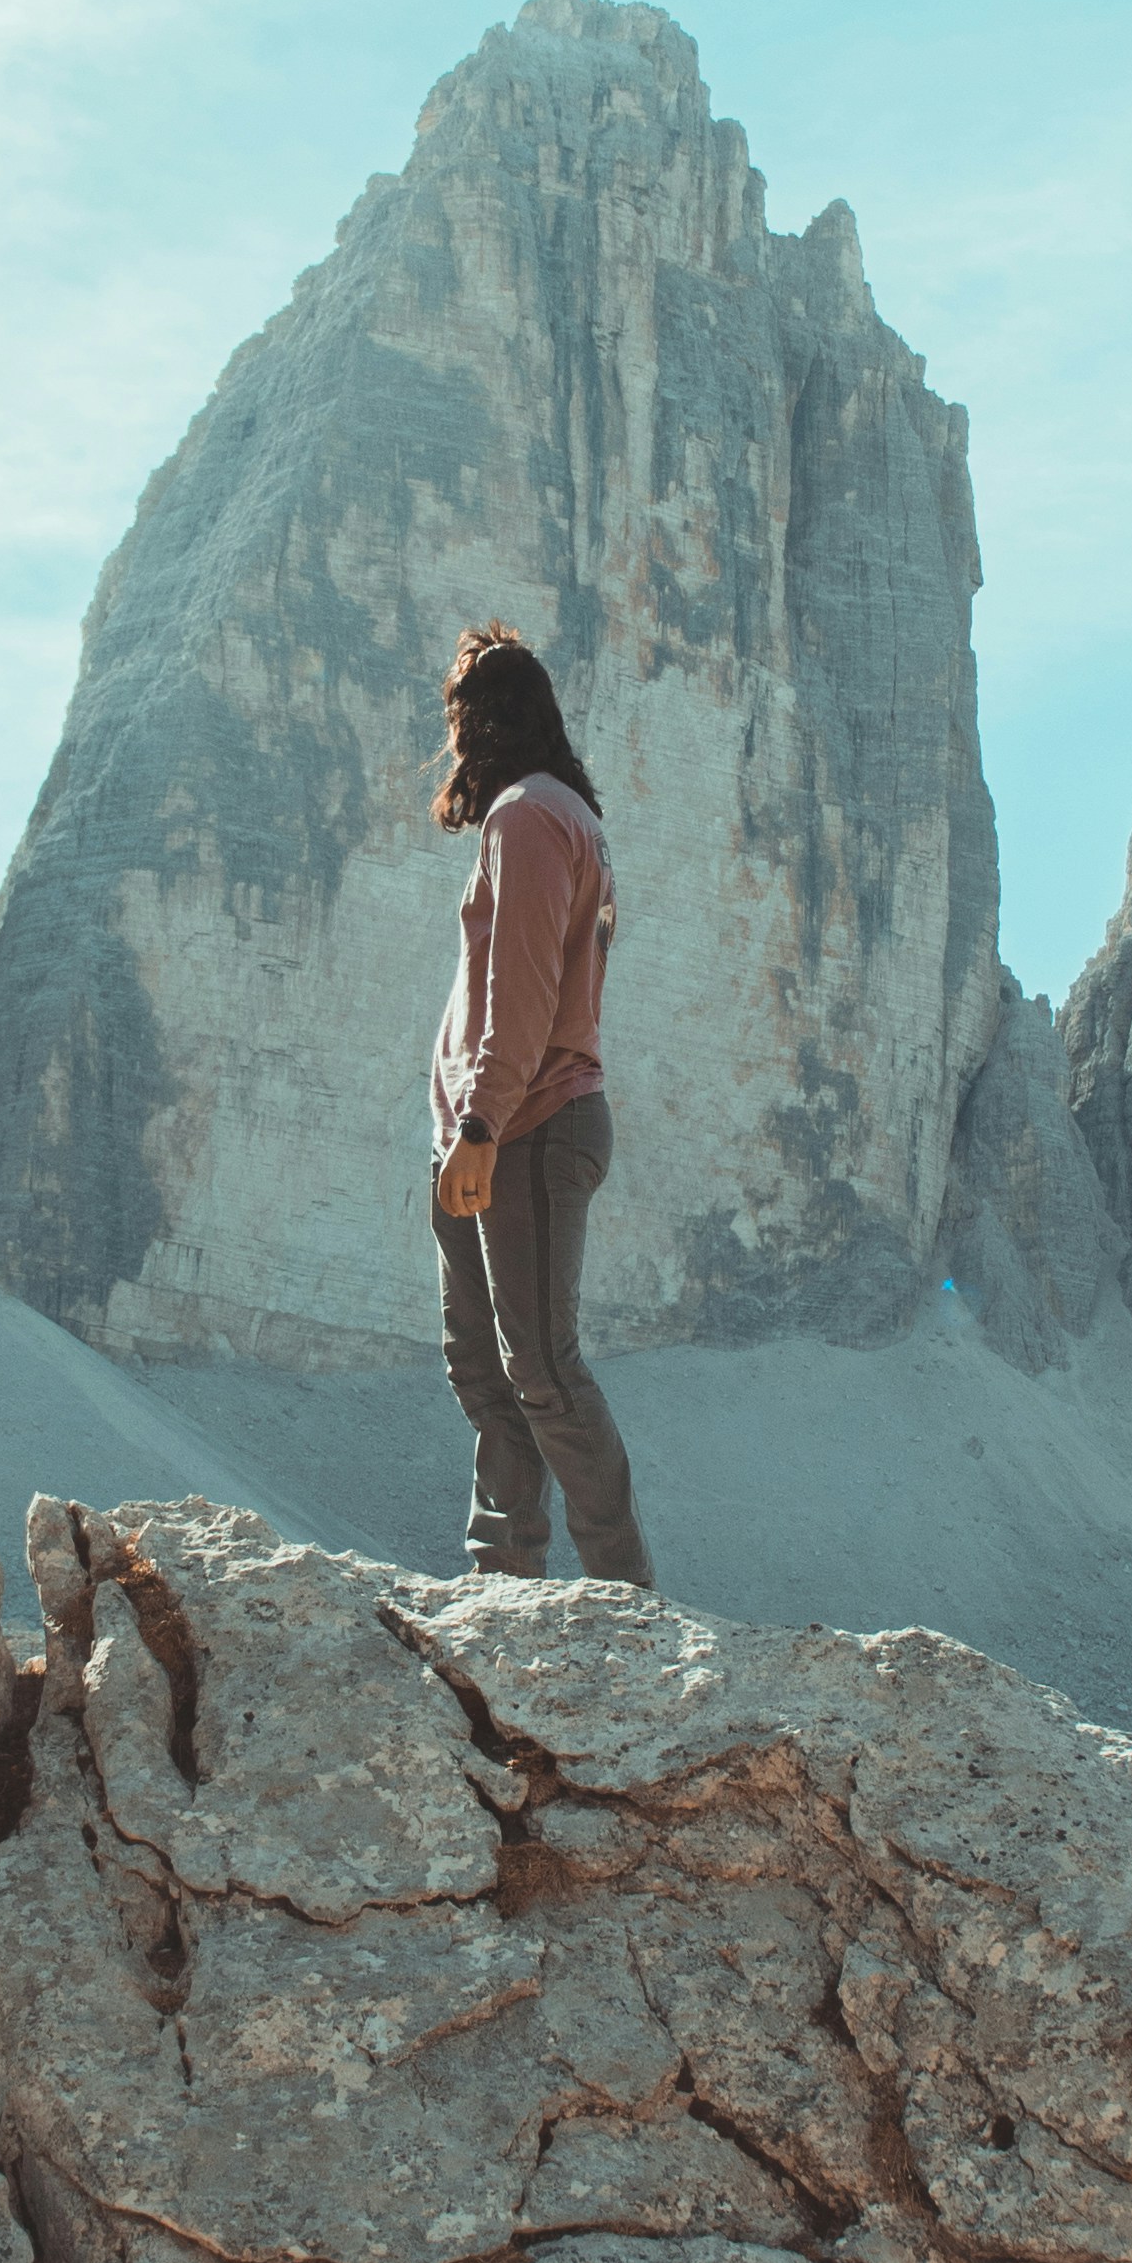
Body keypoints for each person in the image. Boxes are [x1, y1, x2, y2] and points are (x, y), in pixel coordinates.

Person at [427, 622, 654, 1588]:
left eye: (459, 719)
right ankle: (502, 1580)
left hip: (524, 1126)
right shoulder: (561, 816)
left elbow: (518, 993)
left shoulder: (526, 817)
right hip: (494, 1131)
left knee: (542, 1374)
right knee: (486, 1370)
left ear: (481, 722)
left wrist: (477, 1124)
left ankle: (622, 1593)